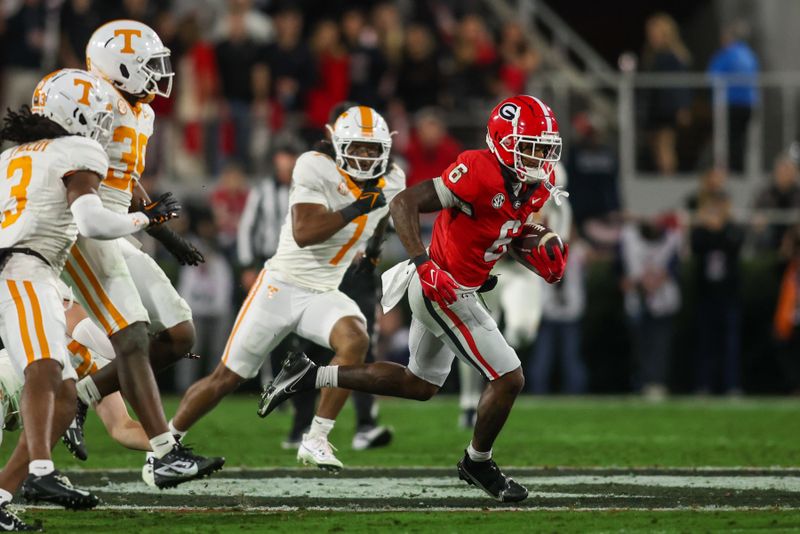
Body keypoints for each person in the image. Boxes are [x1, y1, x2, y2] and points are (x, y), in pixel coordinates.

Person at [260, 95, 568, 502]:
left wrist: (527, 249)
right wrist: (424, 264)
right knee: (509, 377)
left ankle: (309, 374)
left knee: (419, 384)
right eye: (529, 146)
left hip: (458, 286)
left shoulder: (531, 187)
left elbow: (493, 232)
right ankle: (478, 462)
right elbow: (404, 203)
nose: (538, 157)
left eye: (544, 148)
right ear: (502, 140)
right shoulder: (477, 169)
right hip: (440, 287)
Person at [169, 105, 405, 471]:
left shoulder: (393, 180)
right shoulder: (313, 165)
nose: (365, 156)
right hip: (280, 287)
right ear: (337, 143)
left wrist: (373, 252)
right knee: (227, 377)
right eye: (357, 148)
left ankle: (316, 439)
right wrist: (357, 206)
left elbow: (384, 218)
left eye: (373, 149)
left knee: (355, 339)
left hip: (324, 291)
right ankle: (166, 443)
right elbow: (305, 232)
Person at [0, 68, 178, 528]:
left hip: (20, 268)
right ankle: (40, 472)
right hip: (27, 269)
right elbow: (95, 222)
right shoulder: (78, 149)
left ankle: (1, 496)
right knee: (44, 370)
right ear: (75, 114)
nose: (103, 125)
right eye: (96, 114)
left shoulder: (14, 155)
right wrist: (147, 220)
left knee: (62, 393)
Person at [58, 21, 224, 488]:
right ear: (120, 67)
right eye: (149, 65)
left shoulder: (140, 111)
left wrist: (166, 235)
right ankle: (164, 453)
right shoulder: (92, 101)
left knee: (180, 334)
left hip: (117, 231)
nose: (158, 74)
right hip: (85, 231)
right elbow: (71, 171)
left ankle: (80, 395)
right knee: (130, 337)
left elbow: (122, 177)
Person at [620, 214, 682, 399]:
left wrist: (657, 279)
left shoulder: (670, 240)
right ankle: (641, 382)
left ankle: (657, 381)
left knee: (659, 344)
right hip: (637, 298)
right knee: (640, 345)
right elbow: (621, 271)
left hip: (662, 300)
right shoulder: (629, 238)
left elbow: (674, 268)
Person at [689, 189, 744, 394]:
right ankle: (704, 385)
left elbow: (733, 247)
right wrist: (708, 228)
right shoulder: (701, 230)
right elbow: (697, 247)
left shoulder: (733, 228)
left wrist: (718, 230)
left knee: (730, 344)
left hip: (729, 295)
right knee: (705, 343)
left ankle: (731, 385)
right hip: (706, 295)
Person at [707, 21, 759, 173]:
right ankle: (740, 167)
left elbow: (711, 76)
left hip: (729, 103)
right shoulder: (749, 54)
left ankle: (730, 169)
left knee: (729, 138)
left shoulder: (725, 55)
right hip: (749, 103)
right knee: (741, 138)